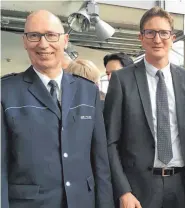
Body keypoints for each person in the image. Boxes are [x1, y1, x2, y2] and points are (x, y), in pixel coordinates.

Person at [1, 10, 114, 208]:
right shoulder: (6, 92)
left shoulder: (87, 91)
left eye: (51, 35)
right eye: (34, 36)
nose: (43, 44)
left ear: (65, 40)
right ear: (25, 41)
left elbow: (100, 162)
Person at [103, 6, 185, 208]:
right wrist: (123, 190)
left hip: (182, 186)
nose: (157, 39)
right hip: (138, 189)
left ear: (173, 38)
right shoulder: (122, 80)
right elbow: (110, 141)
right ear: (141, 37)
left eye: (164, 33)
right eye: (150, 33)